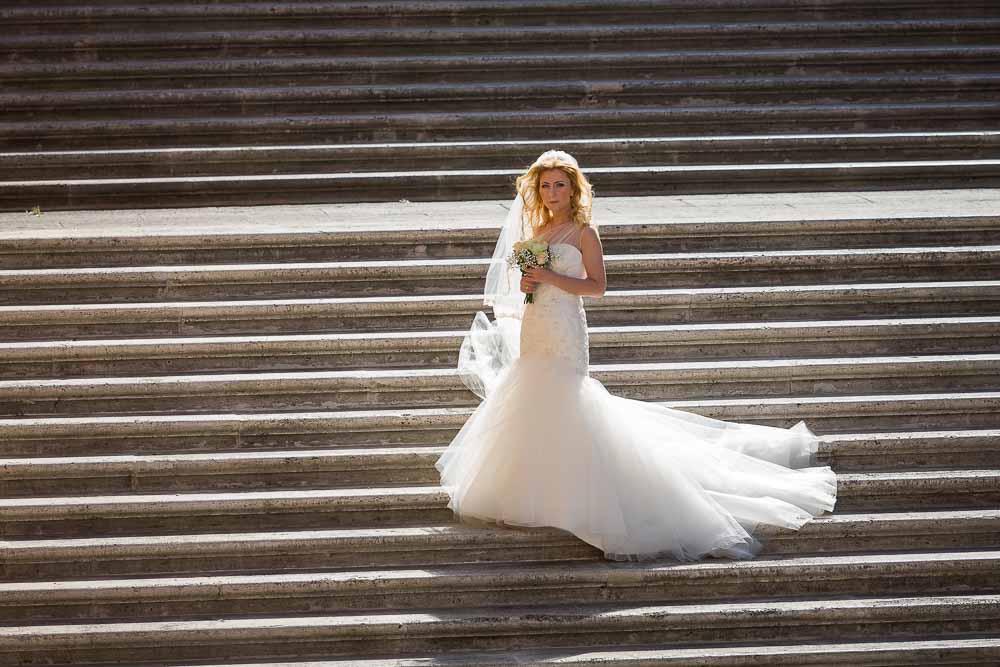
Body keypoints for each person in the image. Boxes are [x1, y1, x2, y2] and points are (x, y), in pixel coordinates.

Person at [434, 150, 837, 562]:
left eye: (560, 185)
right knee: (531, 397)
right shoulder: (537, 232)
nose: (552, 193)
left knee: (568, 398)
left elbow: (597, 287)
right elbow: (529, 285)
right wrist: (529, 285)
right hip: (536, 324)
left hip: (566, 329)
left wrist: (550, 277)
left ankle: (586, 497)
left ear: (573, 189)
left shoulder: (583, 233)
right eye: (545, 185)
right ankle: (533, 492)